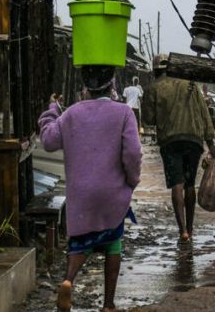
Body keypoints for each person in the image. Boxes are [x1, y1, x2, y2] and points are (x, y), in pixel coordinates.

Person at [38, 65, 142, 312]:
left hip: (80, 194)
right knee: (113, 242)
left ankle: (67, 280)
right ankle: (108, 304)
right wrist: (132, 180)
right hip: (112, 192)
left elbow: (49, 141)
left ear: (85, 88)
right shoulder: (124, 113)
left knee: (80, 243)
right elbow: (133, 153)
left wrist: (51, 111)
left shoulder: (71, 114)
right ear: (112, 85)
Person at [142, 53, 215, 243]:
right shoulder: (190, 85)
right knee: (189, 184)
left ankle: (183, 231)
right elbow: (204, 114)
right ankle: (191, 229)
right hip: (194, 140)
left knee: (176, 184)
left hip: (170, 141)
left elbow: (148, 119)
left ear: (155, 70)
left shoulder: (153, 88)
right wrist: (211, 143)